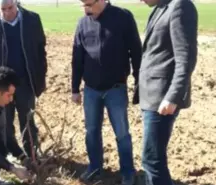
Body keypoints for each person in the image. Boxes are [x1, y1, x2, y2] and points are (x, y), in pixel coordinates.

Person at [71, 0, 142, 184]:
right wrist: (75, 88)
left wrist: (139, 82)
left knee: (122, 133)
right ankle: (95, 167)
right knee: (91, 131)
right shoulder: (82, 23)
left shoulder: (123, 17)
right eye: (83, 5)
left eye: (89, 4)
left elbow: (136, 52)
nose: (86, 9)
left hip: (116, 88)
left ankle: (127, 171)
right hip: (91, 90)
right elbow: (77, 57)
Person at [0, 0, 47, 158]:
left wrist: (40, 78)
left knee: (28, 120)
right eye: (3, 9)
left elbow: (40, 50)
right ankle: (11, 155)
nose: (8, 12)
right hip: (2, 85)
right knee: (5, 122)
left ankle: (32, 153)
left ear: (17, 3)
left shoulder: (32, 20)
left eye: (11, 8)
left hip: (25, 82)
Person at [139, 0, 198, 184]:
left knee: (152, 159)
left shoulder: (180, 6)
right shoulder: (160, 8)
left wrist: (172, 96)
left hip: (162, 98)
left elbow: (186, 58)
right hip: (151, 95)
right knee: (151, 159)